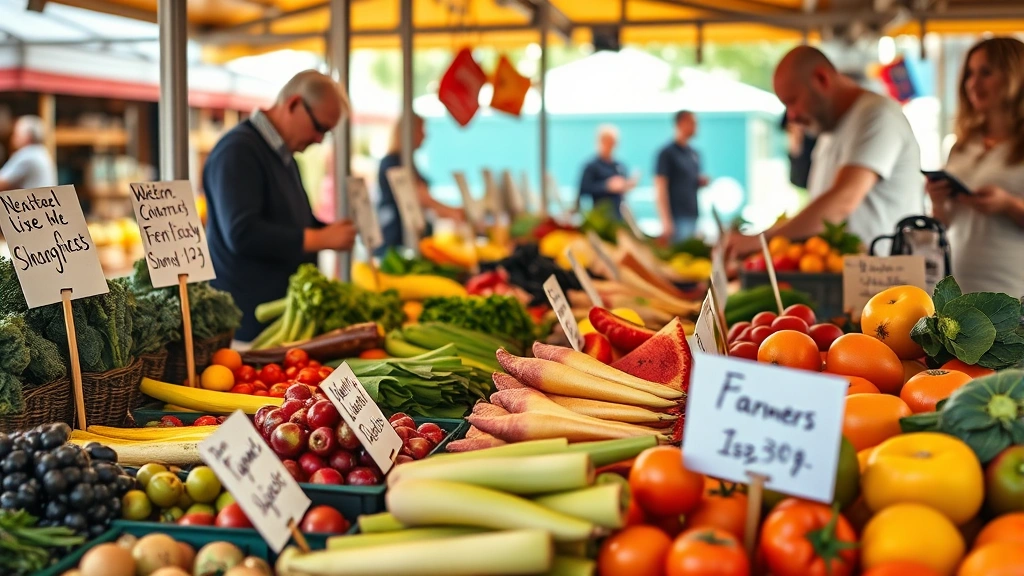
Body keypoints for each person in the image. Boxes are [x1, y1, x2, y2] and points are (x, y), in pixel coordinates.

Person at [202, 70, 357, 343]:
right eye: (319, 127)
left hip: (280, 325)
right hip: (246, 330)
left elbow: (297, 222)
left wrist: (330, 231)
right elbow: (243, 233)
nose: (320, 139)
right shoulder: (238, 151)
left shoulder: (285, 158)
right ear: (294, 104)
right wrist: (320, 238)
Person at [728, 46, 924, 256]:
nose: (791, 116)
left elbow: (843, 200)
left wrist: (764, 241)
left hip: (886, 281)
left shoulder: (877, 116)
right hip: (846, 277)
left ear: (822, 79)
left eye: (792, 101)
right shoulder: (829, 130)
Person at [926, 37, 1024, 297]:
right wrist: (938, 202)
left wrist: (1008, 205)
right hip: (958, 289)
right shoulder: (962, 145)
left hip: (1012, 293)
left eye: (986, 72)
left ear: (1015, 77)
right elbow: (945, 223)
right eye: (970, 73)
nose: (973, 83)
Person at [376, 114, 463, 254]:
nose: (425, 135)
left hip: (410, 235)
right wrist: (452, 212)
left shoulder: (407, 162)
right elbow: (420, 196)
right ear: (408, 131)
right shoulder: (392, 162)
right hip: (396, 238)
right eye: (421, 130)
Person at [655, 111, 709, 244]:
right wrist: (666, 221)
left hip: (693, 214)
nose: (696, 127)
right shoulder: (667, 153)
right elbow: (660, 187)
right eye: (693, 123)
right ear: (681, 123)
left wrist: (699, 182)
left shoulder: (694, 154)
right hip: (676, 218)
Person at [576, 124, 635, 217]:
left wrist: (627, 185)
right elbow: (583, 190)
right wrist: (606, 186)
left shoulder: (619, 166)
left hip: (619, 214)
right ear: (600, 142)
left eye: (612, 143)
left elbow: (623, 190)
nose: (610, 146)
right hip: (599, 215)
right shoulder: (591, 166)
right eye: (607, 142)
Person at [0, 116, 56, 191]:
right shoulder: (41, 151)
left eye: (16, 134)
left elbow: (1, 183)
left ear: (27, 137)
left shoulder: (27, 154)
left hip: (34, 201)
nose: (12, 138)